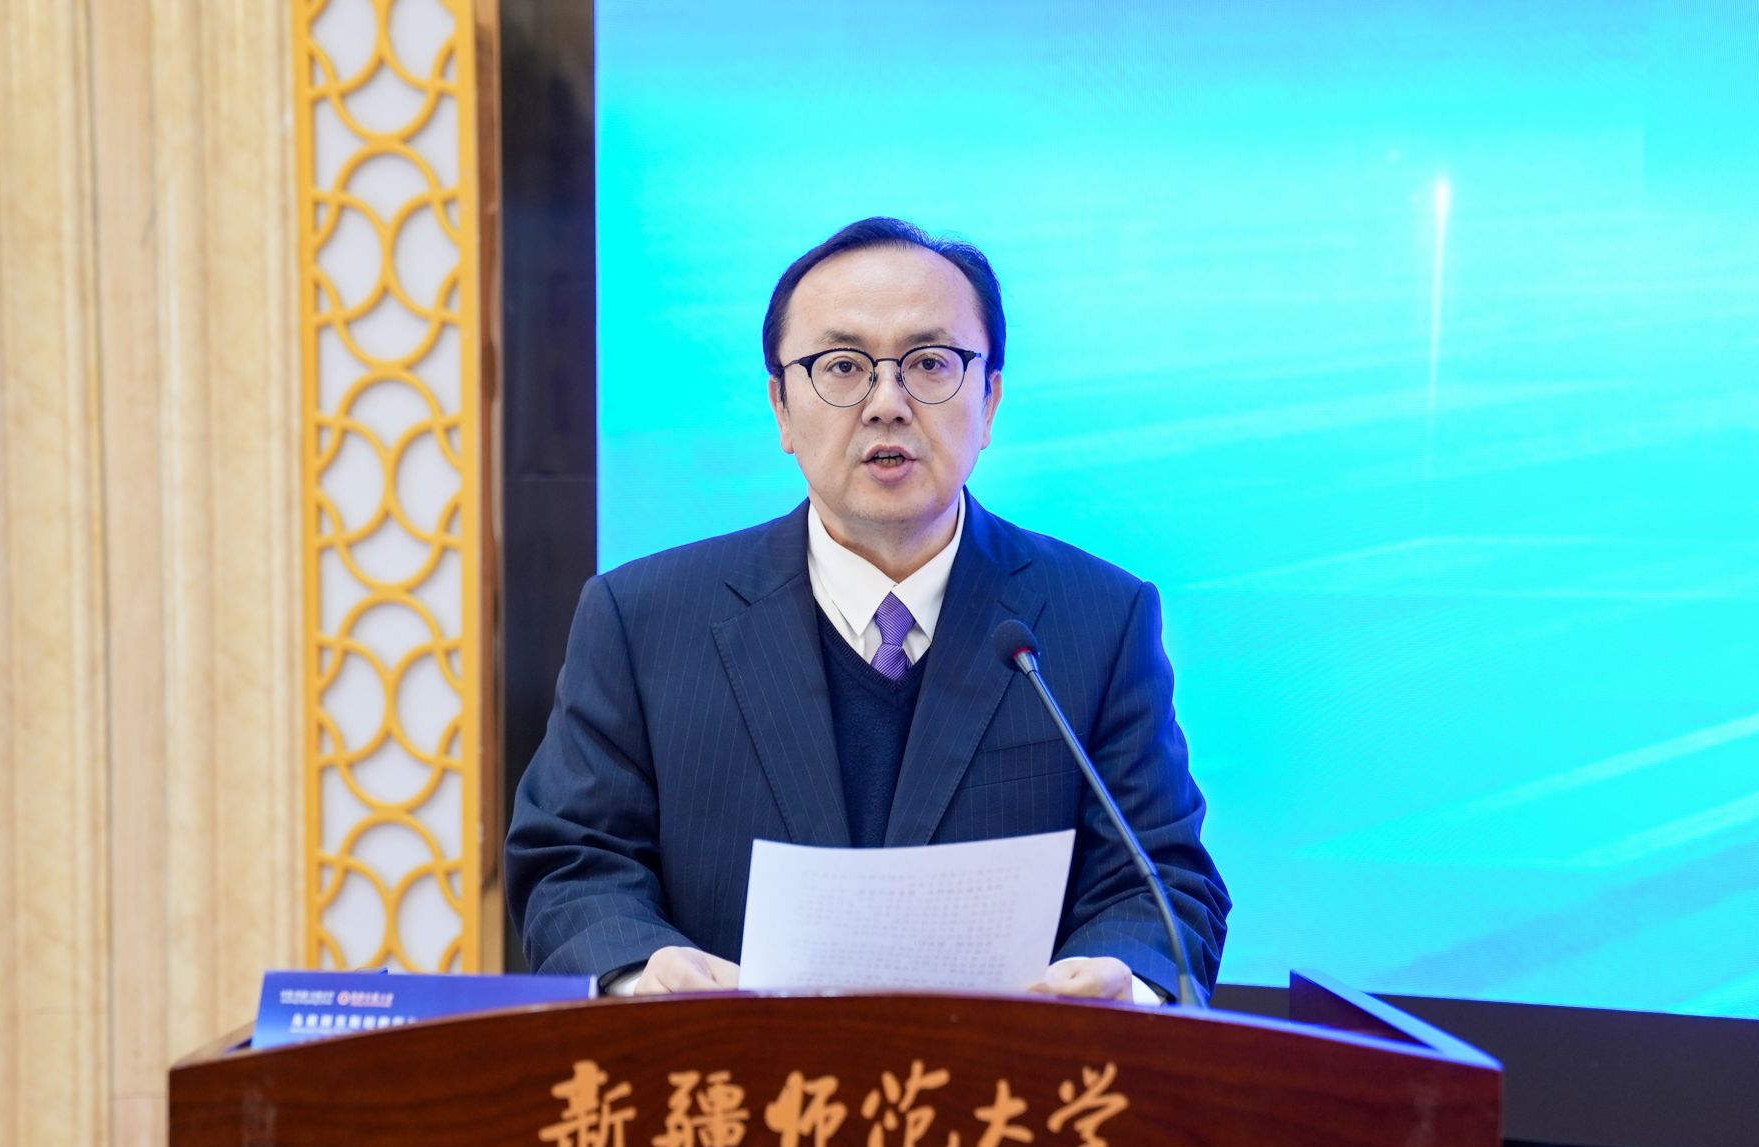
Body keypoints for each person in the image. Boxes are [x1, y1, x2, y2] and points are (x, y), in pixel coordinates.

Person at [505, 217, 1228, 1003]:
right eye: (843, 366)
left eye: (930, 363)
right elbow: (572, 860)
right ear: (782, 407)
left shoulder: (1101, 618)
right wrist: (640, 974)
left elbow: (1160, 880)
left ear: (989, 400)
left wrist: (1125, 986)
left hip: (1009, 1071)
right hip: (725, 1066)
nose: (888, 403)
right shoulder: (640, 620)